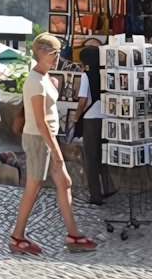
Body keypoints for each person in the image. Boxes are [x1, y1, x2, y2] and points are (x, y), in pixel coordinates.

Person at [9, 33, 98, 255]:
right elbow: (40, 122)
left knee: (65, 183)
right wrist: (56, 151)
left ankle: (73, 235)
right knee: (33, 187)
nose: (57, 58)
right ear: (43, 53)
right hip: (39, 139)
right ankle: (17, 236)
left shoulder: (43, 78)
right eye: (55, 54)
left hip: (45, 137)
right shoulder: (34, 82)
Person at [74, 43, 112, 204]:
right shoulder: (108, 74)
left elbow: (83, 100)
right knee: (103, 156)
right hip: (106, 118)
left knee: (90, 158)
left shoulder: (86, 75)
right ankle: (106, 188)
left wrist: (76, 118)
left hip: (91, 119)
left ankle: (95, 195)